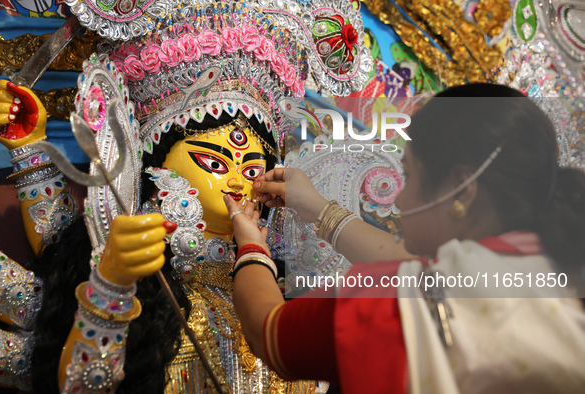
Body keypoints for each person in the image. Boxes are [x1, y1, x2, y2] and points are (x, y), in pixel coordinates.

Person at [0, 0, 371, 392]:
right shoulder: (136, 280)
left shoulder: (289, 306)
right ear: (158, 168)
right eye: (214, 162)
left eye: (254, 170)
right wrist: (112, 283)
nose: (239, 182)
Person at [225, 83, 585, 393]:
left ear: (462, 192)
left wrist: (252, 247)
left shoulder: (411, 306)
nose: (400, 199)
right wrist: (318, 209)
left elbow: (265, 329)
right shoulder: (546, 271)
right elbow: (408, 265)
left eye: (410, 176)